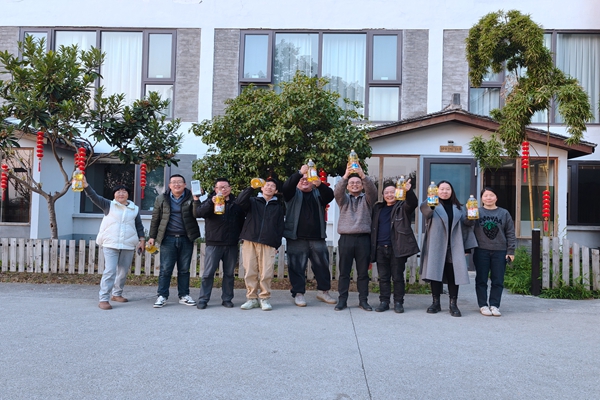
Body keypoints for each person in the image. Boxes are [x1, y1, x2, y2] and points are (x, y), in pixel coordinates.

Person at [81, 177, 145, 310]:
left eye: (124, 191)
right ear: (114, 194)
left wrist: (142, 240)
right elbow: (94, 196)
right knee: (110, 271)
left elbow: (139, 225)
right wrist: (86, 185)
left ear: (128, 194)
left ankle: (117, 294)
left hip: (128, 243)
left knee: (123, 271)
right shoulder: (108, 205)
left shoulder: (134, 209)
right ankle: (103, 299)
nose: (121, 194)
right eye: (118, 191)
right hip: (110, 243)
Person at [420, 180, 477, 317]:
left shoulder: (458, 208)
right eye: (442, 189)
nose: (444, 191)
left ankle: (453, 304)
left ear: (452, 192)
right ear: (436, 191)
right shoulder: (431, 204)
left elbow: (466, 226)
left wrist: (471, 215)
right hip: (436, 245)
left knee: (453, 275)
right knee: (435, 274)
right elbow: (426, 212)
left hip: (454, 246)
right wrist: (431, 200)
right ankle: (435, 302)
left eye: (448, 189)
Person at [283, 164, 336, 307]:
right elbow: (287, 187)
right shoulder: (291, 194)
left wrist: (319, 184)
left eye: (307, 179)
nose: (304, 181)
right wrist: (300, 172)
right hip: (296, 237)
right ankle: (298, 294)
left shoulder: (318, 194)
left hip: (317, 237)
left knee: (322, 266)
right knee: (296, 267)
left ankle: (323, 291)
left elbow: (330, 196)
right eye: (301, 179)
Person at [148, 174, 201, 308]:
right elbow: (155, 219)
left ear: (185, 185)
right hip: (168, 239)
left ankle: (184, 295)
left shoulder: (191, 197)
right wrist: (152, 237)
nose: (176, 184)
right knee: (165, 269)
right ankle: (162, 295)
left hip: (186, 238)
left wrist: (196, 199)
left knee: (184, 269)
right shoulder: (161, 199)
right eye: (173, 182)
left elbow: (197, 214)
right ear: (169, 185)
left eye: (179, 182)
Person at [193, 178, 245, 309]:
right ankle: (203, 299)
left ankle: (227, 299)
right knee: (208, 273)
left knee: (229, 274)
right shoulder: (210, 201)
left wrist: (241, 237)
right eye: (220, 187)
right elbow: (199, 213)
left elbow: (242, 221)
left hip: (231, 243)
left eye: (225, 187)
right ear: (215, 189)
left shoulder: (236, 203)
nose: (223, 189)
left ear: (230, 188)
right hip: (214, 243)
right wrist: (211, 201)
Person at [236, 175, 285, 311]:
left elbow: (280, 227)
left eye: (273, 186)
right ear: (262, 188)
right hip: (249, 240)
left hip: (268, 242)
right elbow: (239, 202)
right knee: (250, 271)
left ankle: (264, 298)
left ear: (276, 191)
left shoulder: (278, 207)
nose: (269, 187)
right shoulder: (253, 201)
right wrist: (251, 188)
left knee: (266, 273)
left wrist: (276, 245)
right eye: (267, 185)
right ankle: (251, 298)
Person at [370, 179, 419, 313]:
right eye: (386, 192)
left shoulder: (402, 207)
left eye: (392, 192)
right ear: (383, 195)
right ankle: (384, 302)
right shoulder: (378, 208)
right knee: (383, 277)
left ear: (397, 192)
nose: (389, 195)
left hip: (397, 247)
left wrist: (408, 191)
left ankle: (398, 302)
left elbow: (413, 203)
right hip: (380, 247)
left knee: (397, 277)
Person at [333, 164, 377, 311]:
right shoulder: (343, 200)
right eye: (351, 183)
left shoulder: (367, 200)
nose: (355, 185)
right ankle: (342, 300)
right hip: (346, 239)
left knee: (363, 273)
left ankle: (363, 300)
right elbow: (337, 192)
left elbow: (372, 191)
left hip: (363, 239)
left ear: (362, 185)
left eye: (358, 182)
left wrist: (362, 175)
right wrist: (346, 175)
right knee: (344, 272)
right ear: (347, 186)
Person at [473, 187, 516, 317]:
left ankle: (495, 305)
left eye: (491, 195)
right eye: (485, 196)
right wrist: (469, 215)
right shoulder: (476, 212)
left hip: (500, 251)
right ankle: (483, 305)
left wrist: (511, 250)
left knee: (498, 280)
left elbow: (510, 232)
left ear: (496, 197)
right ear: (482, 198)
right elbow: (467, 227)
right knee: (481, 279)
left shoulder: (504, 213)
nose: (488, 198)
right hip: (481, 250)